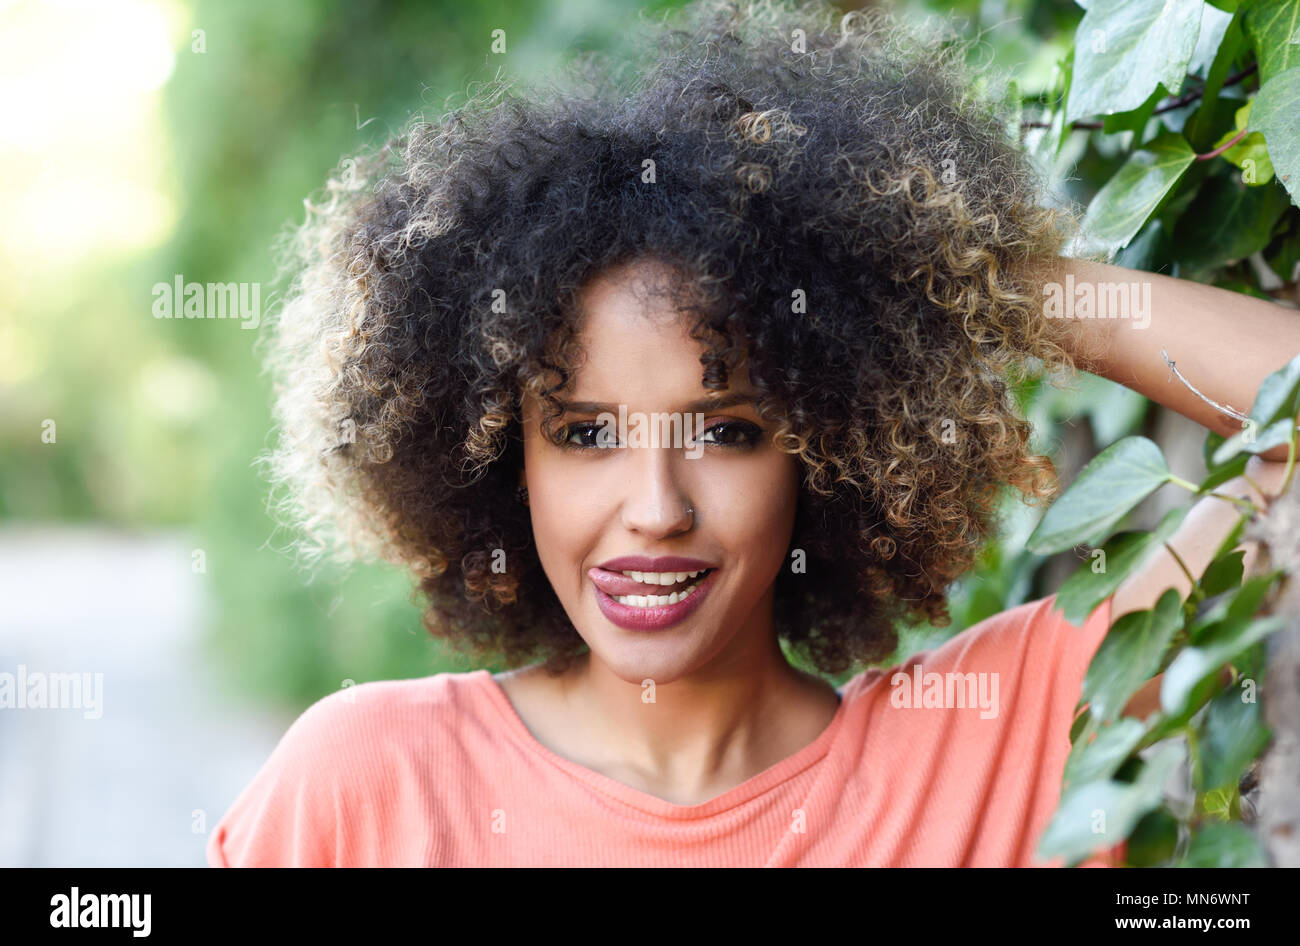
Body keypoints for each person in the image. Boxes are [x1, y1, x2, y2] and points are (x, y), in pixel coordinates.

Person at [207, 0, 1298, 867]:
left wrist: (954, 281)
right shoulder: (365, 784)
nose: (655, 508)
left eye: (727, 431)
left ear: (829, 451)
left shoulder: (999, 736)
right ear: (502, 463)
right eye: (585, 436)